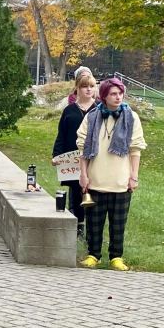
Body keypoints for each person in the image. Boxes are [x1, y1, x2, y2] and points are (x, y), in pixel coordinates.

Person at [77, 77, 146, 270]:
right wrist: (83, 175)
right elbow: (82, 149)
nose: (118, 97)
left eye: (120, 93)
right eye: (113, 94)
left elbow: (135, 149)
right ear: (104, 96)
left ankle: (116, 256)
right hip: (95, 180)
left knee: (118, 223)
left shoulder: (131, 117)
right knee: (94, 222)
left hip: (120, 181)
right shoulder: (92, 117)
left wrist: (134, 176)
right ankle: (93, 254)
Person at [52, 70, 97, 238]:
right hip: (72, 157)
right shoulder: (69, 110)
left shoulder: (99, 110)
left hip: (93, 157)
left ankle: (92, 225)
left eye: (91, 86)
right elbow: (61, 134)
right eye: (85, 86)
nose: (88, 89)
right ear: (77, 88)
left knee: (92, 190)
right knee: (76, 190)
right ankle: (77, 224)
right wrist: (57, 155)